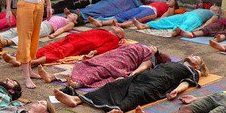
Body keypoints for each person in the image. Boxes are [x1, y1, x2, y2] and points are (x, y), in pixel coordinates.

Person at [54, 56, 207, 113]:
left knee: (137, 94)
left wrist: (177, 91)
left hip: (160, 83)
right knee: (115, 85)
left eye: (196, 58)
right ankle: (76, 99)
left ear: (196, 65)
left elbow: (187, 83)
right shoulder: (176, 62)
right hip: (147, 75)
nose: (192, 55)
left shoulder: (194, 72)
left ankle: (116, 112)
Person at [38, 44, 170, 89]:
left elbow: (143, 67)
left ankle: (76, 83)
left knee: (102, 70)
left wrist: (133, 74)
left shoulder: (150, 57)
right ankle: (52, 76)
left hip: (123, 61)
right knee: (84, 65)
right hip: (117, 54)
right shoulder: (145, 48)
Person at [1, 27, 125, 69]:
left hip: (81, 44)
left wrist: (94, 52)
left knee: (58, 52)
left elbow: (106, 48)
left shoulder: (114, 39)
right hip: (73, 38)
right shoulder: (103, 30)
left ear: (119, 35)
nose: (116, 27)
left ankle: (33, 62)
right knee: (49, 47)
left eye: (119, 29)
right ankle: (19, 60)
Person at [0, 13, 81, 48]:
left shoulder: (70, 23)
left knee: (28, 34)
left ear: (75, 20)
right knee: (20, 29)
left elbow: (62, 29)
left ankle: (7, 42)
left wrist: (54, 35)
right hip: (41, 23)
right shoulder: (62, 17)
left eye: (74, 15)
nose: (71, 14)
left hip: (47, 27)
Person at [132, 5, 222, 35]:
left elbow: (209, 22)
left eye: (216, 6)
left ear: (217, 10)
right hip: (186, 14)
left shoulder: (215, 15)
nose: (213, 5)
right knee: (167, 20)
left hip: (195, 18)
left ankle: (177, 31)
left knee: (186, 25)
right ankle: (144, 25)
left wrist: (200, 28)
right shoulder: (204, 9)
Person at [88, 0, 177, 26]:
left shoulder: (170, 8)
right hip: (142, 7)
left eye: (172, 0)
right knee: (121, 16)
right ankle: (101, 22)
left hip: (151, 11)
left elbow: (168, 14)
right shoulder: (160, 2)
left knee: (134, 19)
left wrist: (158, 22)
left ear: (174, 5)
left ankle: (121, 25)